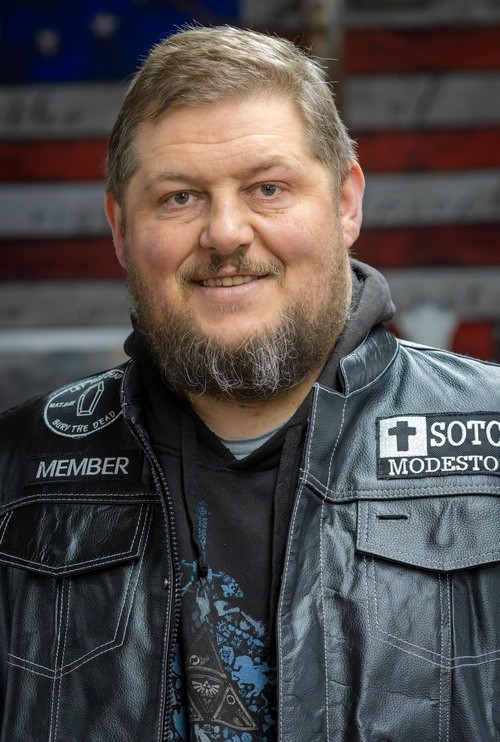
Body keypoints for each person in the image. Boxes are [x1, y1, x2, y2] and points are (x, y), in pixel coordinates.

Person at [0, 24, 499, 742]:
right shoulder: (16, 472)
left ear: (346, 202)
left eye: (268, 188)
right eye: (180, 198)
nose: (227, 233)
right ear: (119, 228)